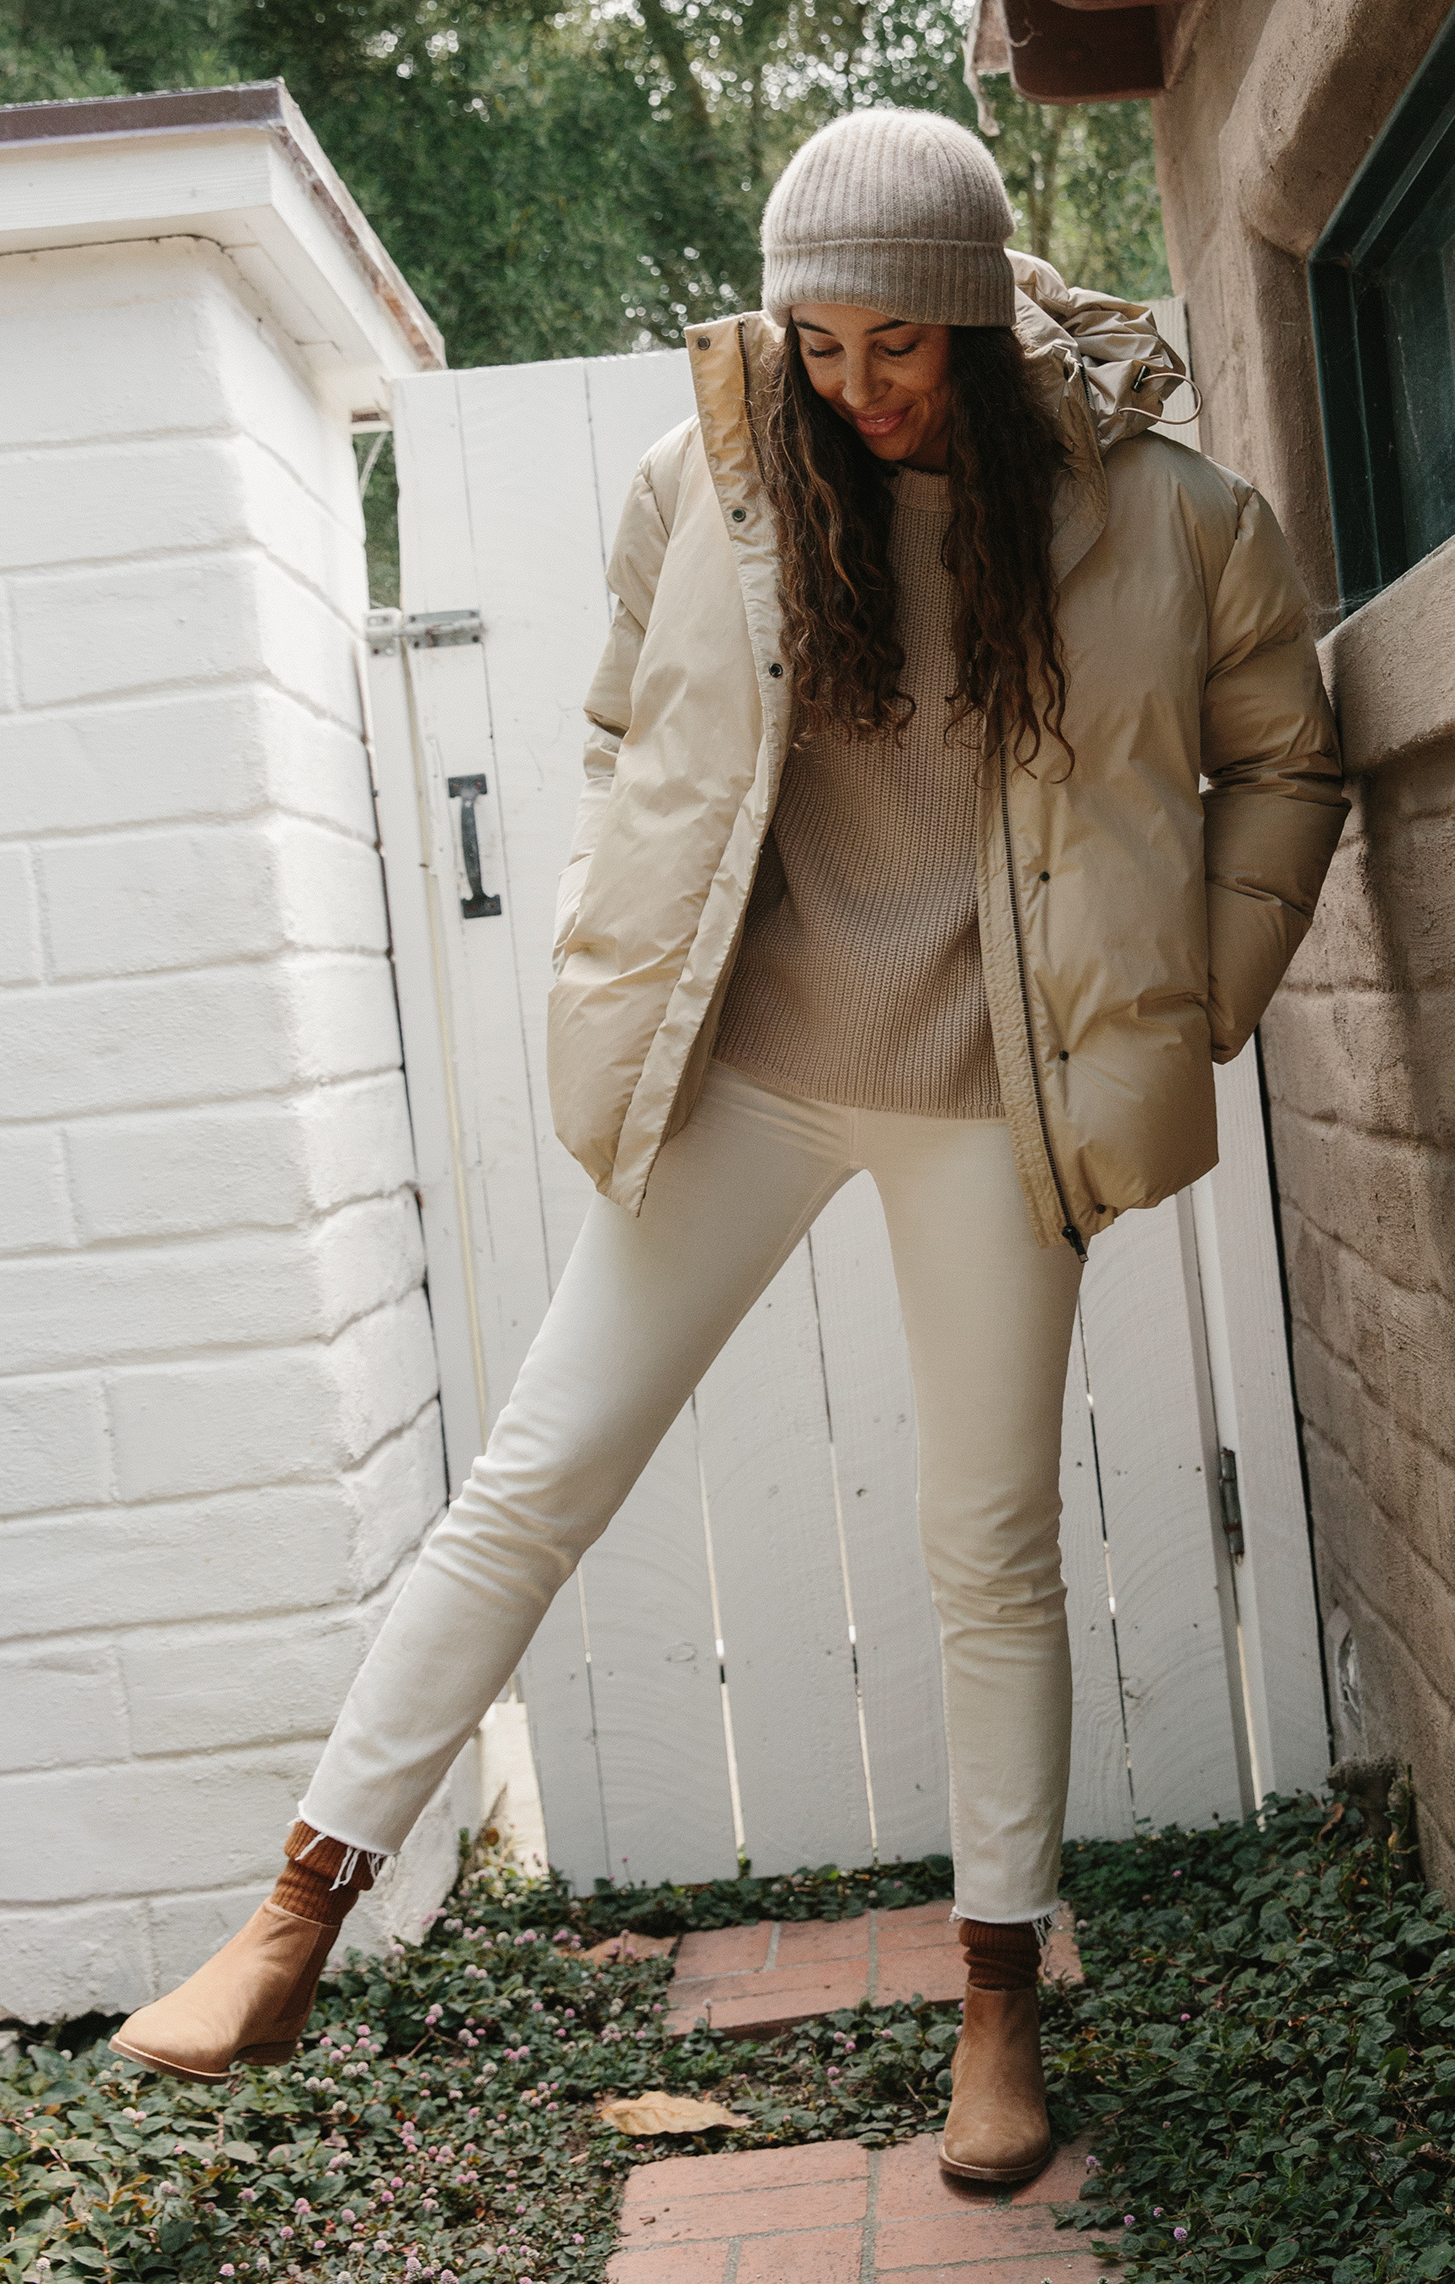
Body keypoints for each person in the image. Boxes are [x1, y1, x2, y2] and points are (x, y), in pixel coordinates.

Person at [113, 108, 1346, 2183]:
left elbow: (1288, 766)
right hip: (751, 1067)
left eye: (899, 343)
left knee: (988, 1551)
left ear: (973, 320)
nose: (856, 387)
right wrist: (618, 928)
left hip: (1002, 1093)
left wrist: (1182, 1007)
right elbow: (626, 737)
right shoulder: (714, 484)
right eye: (819, 343)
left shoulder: (1165, 517)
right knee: (538, 1473)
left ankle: (998, 2011)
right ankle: (294, 1914)